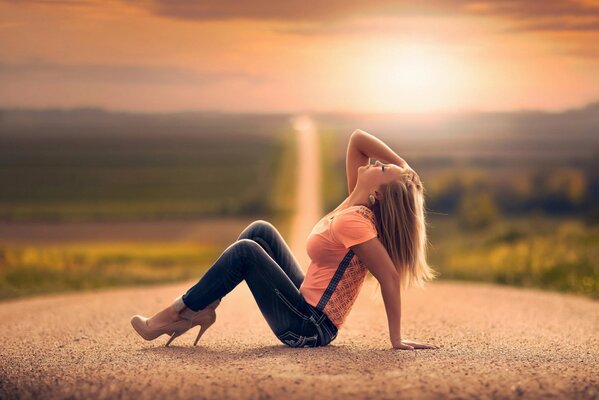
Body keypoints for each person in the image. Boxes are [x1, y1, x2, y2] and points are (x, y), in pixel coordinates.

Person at [131, 129, 439, 350]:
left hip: (309, 326)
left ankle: (174, 314)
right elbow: (358, 139)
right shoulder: (355, 203)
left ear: (377, 194)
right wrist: (404, 166)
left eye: (382, 169)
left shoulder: (353, 221)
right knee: (260, 231)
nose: (376, 163)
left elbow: (388, 275)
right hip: (306, 306)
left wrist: (395, 339)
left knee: (245, 252)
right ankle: (202, 307)